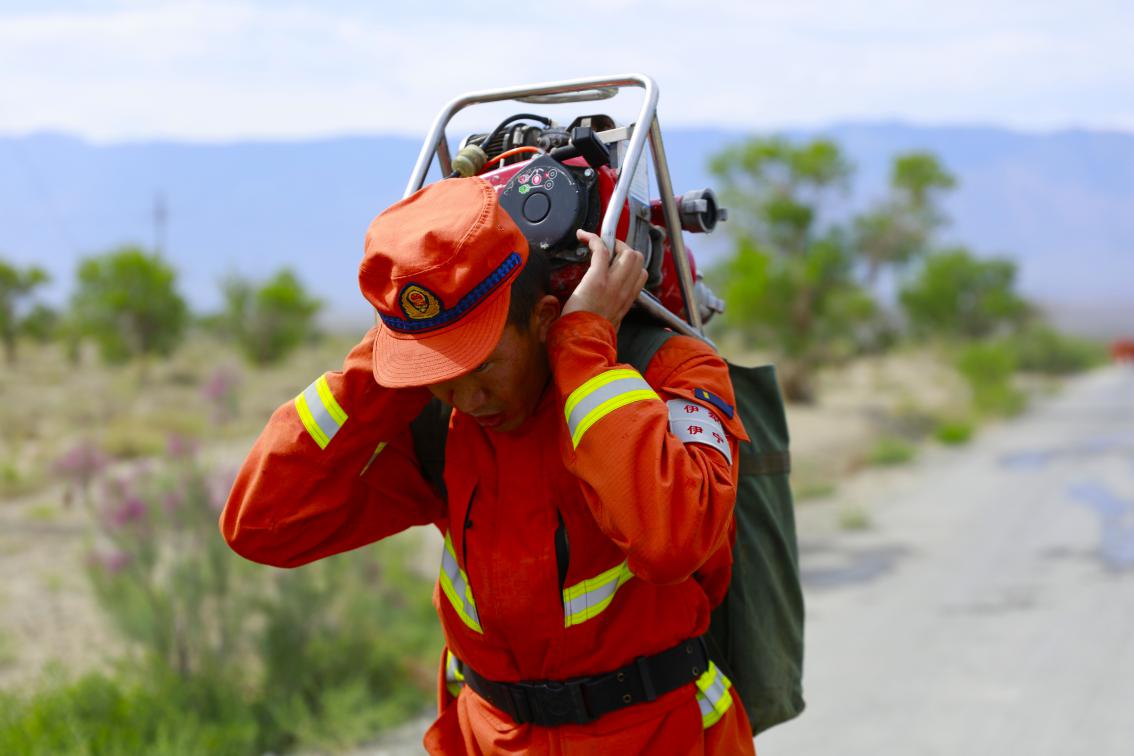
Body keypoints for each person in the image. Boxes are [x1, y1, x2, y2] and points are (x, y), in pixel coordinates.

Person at [221, 177, 755, 754]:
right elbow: (262, 525)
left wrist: (583, 351)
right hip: (487, 736)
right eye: (439, 374)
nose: (466, 398)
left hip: (658, 736)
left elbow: (671, 541)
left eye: (482, 363)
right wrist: (381, 371)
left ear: (546, 317)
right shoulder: (438, 420)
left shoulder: (671, 372)